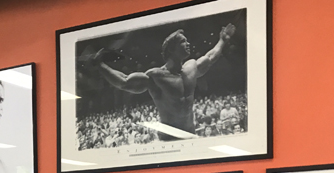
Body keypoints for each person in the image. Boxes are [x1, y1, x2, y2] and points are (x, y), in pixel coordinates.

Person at [93, 23, 236, 140]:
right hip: (169, 138)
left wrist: (222, 40)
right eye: (183, 41)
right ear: (171, 49)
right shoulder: (156, 76)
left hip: (190, 134)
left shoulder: (191, 67)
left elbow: (210, 58)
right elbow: (124, 81)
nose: (188, 43)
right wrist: (100, 65)